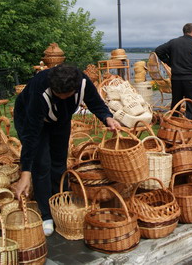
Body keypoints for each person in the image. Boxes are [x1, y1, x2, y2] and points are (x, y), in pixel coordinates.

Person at [13, 64, 120, 236]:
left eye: (66, 95)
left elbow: (95, 103)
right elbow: (31, 135)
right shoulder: (40, 90)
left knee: (59, 160)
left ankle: (60, 200)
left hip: (60, 119)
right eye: (58, 95)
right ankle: (46, 214)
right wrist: (25, 172)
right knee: (41, 164)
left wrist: (107, 118)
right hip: (29, 117)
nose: (62, 98)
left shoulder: (83, 82)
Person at [155, 23, 192, 119]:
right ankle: (190, 127)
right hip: (190, 78)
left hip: (176, 78)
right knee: (191, 105)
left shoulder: (173, 42)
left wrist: (170, 62)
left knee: (175, 103)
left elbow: (158, 50)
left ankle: (173, 126)